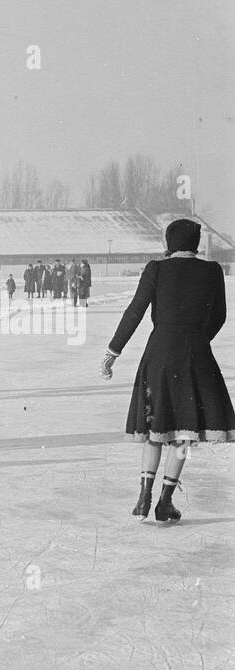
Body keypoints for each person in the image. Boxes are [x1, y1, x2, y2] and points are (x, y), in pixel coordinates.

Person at [100, 219, 233, 524]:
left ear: (169, 243)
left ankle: (144, 494)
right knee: (184, 432)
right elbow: (220, 317)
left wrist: (113, 350)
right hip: (195, 355)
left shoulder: (156, 269)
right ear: (196, 243)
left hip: (158, 353)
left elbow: (135, 309)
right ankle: (165, 501)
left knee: (155, 425)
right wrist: (197, 340)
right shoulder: (212, 271)